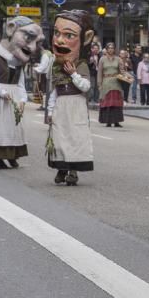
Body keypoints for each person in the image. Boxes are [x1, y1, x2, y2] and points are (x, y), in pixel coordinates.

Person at [0, 17, 40, 169]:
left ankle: (12, 156)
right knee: (0, 128)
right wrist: (2, 92)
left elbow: (20, 84)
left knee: (14, 127)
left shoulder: (18, 65)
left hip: (13, 98)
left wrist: (22, 99)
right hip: (1, 100)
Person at [44, 10, 95, 185]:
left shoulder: (81, 65)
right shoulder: (55, 67)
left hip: (76, 105)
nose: (59, 40)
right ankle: (61, 168)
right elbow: (54, 91)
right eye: (56, 33)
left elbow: (86, 87)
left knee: (74, 138)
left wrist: (74, 74)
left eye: (68, 35)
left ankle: (73, 171)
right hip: (61, 105)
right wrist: (50, 110)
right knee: (59, 137)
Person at [98, 43, 124, 127]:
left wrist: (125, 75)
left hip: (116, 83)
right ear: (106, 49)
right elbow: (100, 72)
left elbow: (122, 71)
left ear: (114, 49)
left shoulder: (118, 59)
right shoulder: (102, 59)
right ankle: (108, 121)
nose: (111, 49)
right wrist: (99, 84)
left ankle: (116, 121)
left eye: (112, 48)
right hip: (106, 83)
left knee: (116, 103)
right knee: (107, 102)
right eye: (109, 48)